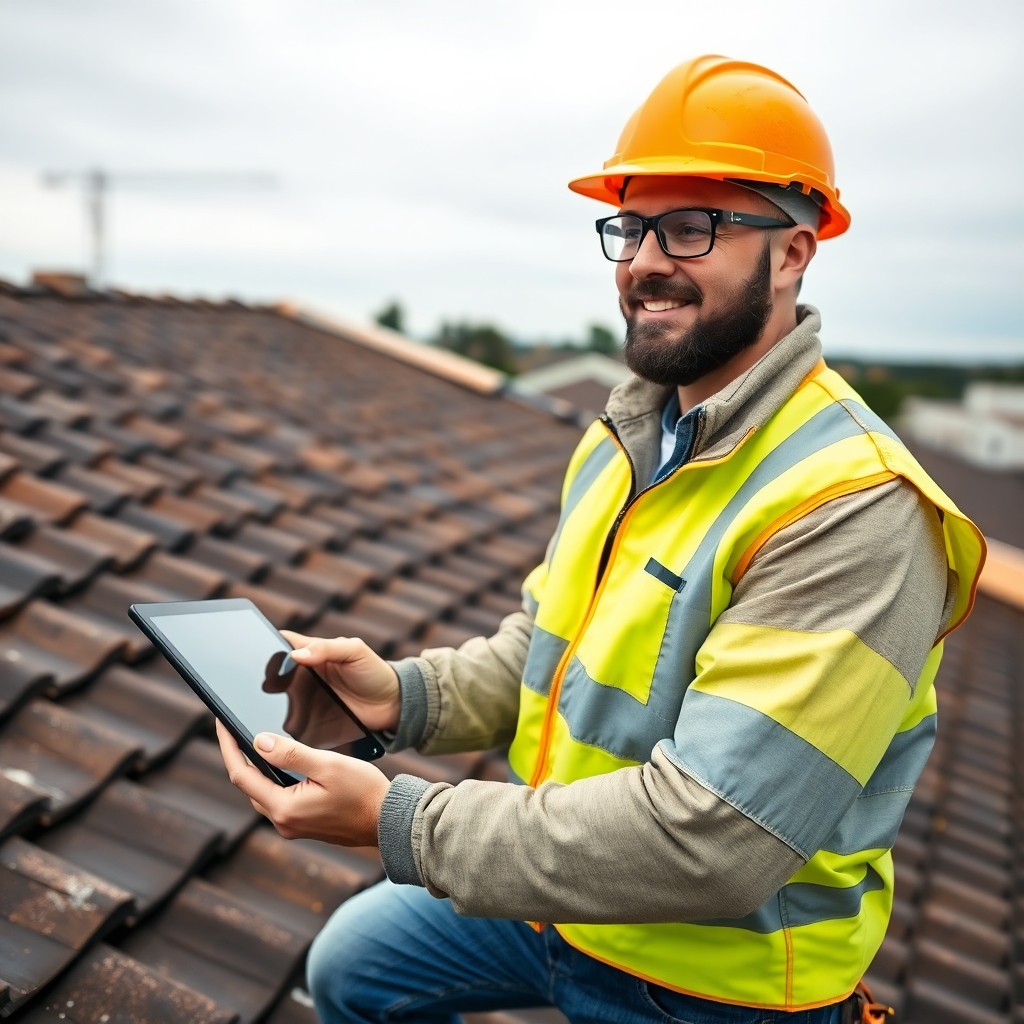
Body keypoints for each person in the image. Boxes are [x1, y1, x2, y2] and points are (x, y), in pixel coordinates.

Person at [218, 55, 985, 1023]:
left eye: (692, 226)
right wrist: (404, 697)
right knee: (352, 970)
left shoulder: (854, 507)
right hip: (559, 897)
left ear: (794, 252)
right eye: (630, 226)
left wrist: (400, 820)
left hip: (713, 976)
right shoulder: (627, 436)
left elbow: (716, 840)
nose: (644, 262)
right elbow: (550, 649)